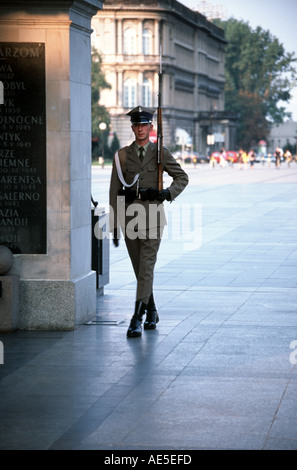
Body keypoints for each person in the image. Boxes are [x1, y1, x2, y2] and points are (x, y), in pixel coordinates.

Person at [109, 106, 189, 338]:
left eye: (144, 125)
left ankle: (137, 317)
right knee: (140, 270)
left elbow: (182, 177)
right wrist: (114, 224)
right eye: (137, 125)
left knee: (146, 268)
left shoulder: (160, 153)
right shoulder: (122, 155)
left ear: (150, 127)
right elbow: (115, 190)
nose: (140, 129)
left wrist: (167, 194)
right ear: (132, 127)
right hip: (129, 220)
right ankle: (152, 309)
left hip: (153, 217)